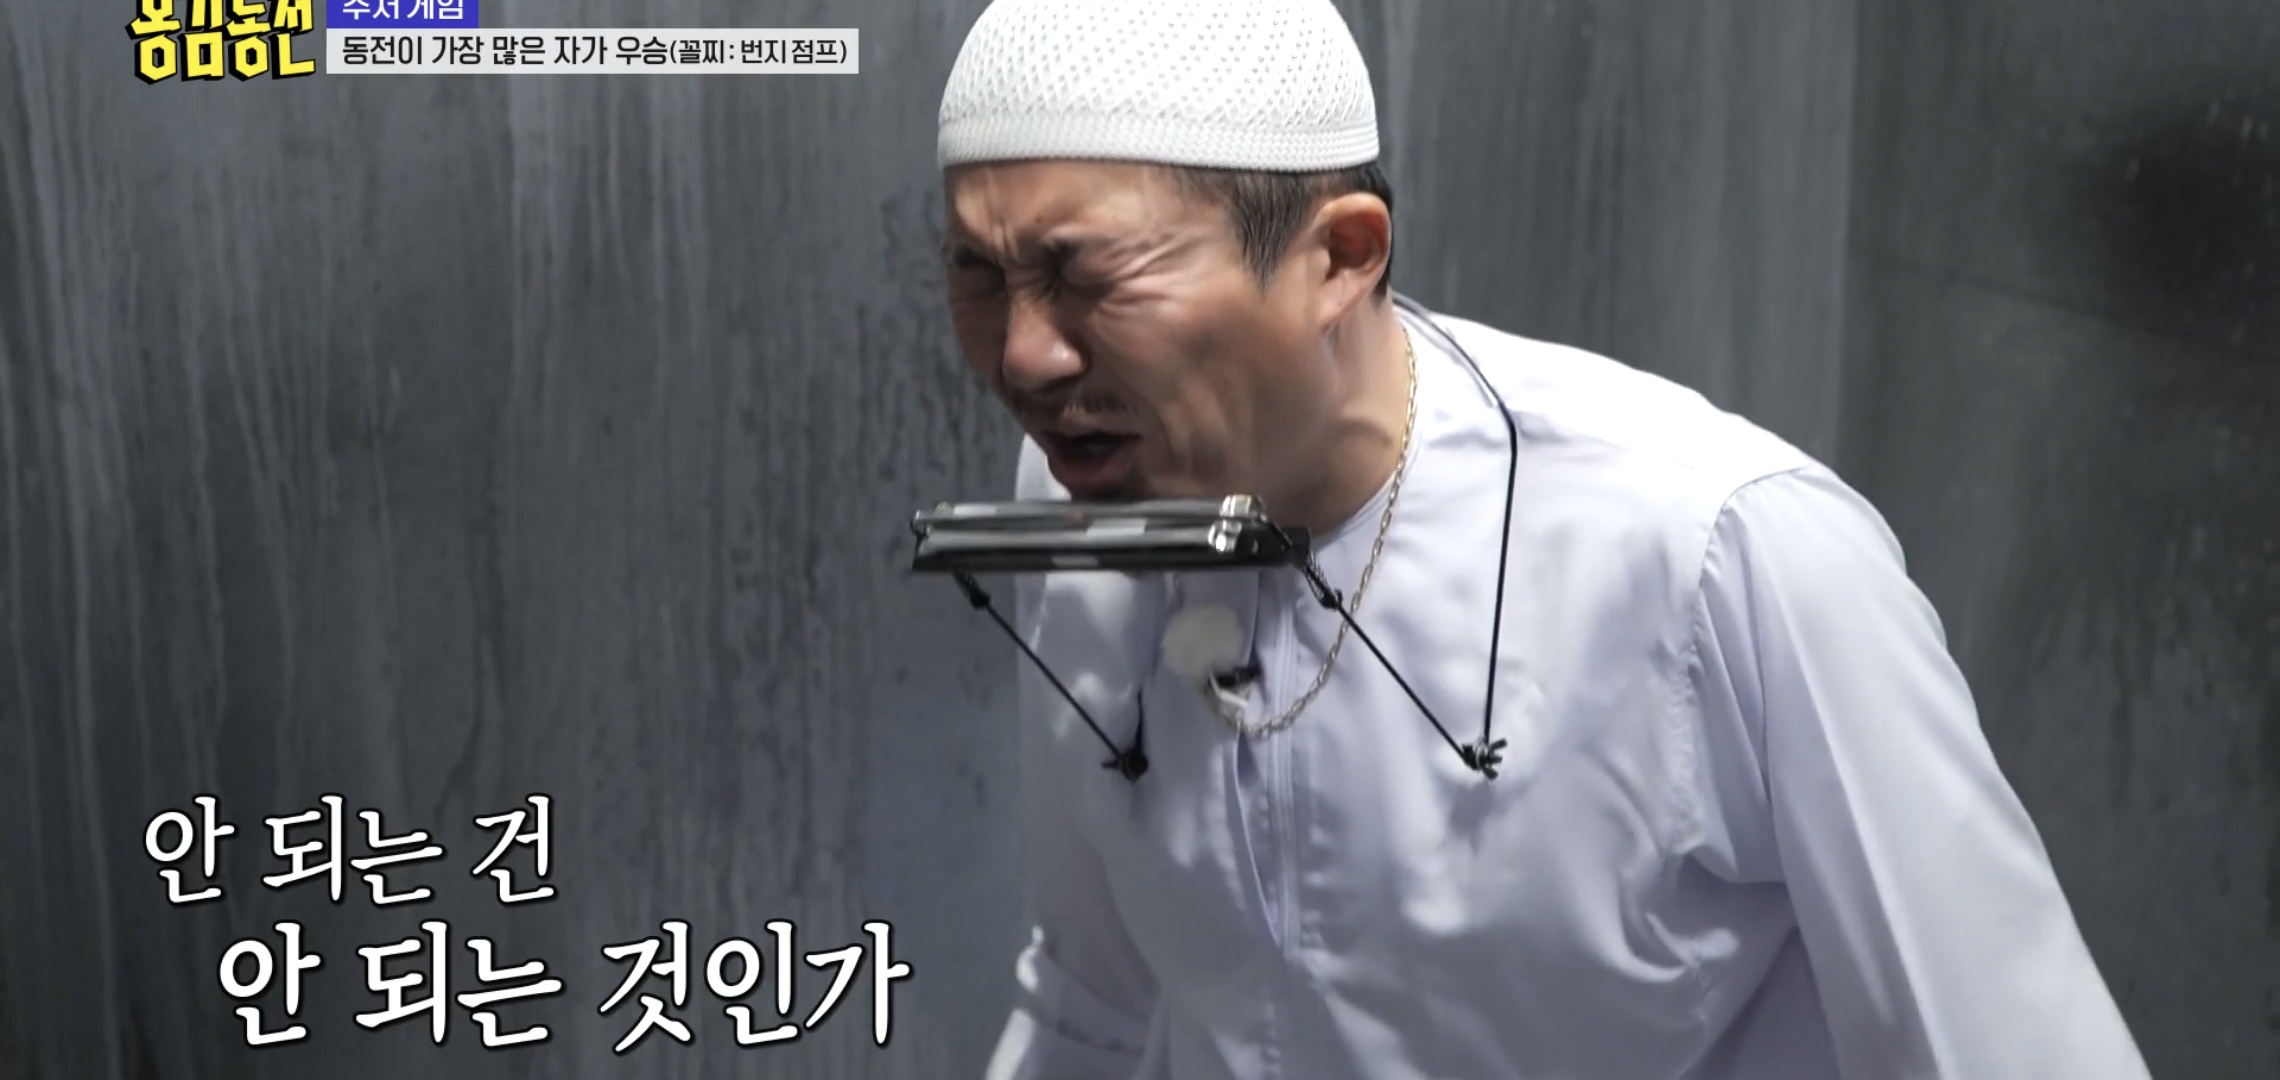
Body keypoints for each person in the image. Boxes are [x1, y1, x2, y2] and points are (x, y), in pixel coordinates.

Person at [933, 2, 2154, 1078]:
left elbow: (2005, 1051)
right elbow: (1100, 1003)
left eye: (1088, 276)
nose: (1024, 356)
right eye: (978, 274)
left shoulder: (1728, 555)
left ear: (1341, 256)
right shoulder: (1081, 497)